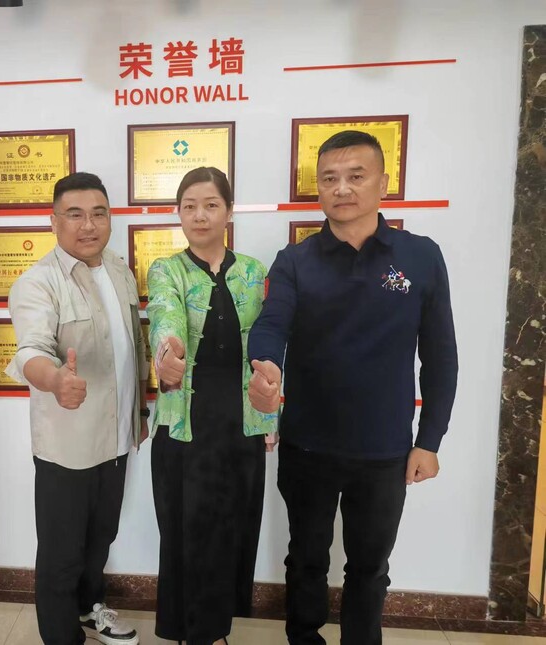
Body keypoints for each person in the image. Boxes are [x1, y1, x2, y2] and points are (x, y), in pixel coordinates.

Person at [247, 131, 458, 645]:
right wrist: (265, 366)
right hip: (308, 445)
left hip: (385, 450)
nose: (342, 188)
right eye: (330, 179)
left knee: (370, 566)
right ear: (318, 189)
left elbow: (441, 356)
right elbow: (272, 323)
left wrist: (429, 441)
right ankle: (304, 638)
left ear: (383, 183)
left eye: (356, 176)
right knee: (306, 559)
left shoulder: (420, 256)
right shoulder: (295, 260)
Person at [6, 172, 149, 645]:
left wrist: (139, 413)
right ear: (54, 221)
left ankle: (90, 610)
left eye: (98, 213)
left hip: (116, 438)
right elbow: (31, 350)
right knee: (61, 554)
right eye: (75, 215)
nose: (88, 225)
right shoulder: (37, 283)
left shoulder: (119, 269)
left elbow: (135, 347)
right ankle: (61, 636)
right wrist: (55, 381)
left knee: (100, 538)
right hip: (67, 447)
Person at [146, 166, 278, 645]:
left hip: (241, 423)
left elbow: (267, 347)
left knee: (231, 530)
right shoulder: (166, 269)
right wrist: (168, 355)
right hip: (186, 424)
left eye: (210, 205)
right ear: (178, 213)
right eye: (189, 206)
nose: (199, 216)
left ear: (229, 212)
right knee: (186, 530)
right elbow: (164, 315)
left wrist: (270, 415)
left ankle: (215, 628)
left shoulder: (254, 272)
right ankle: (193, 632)